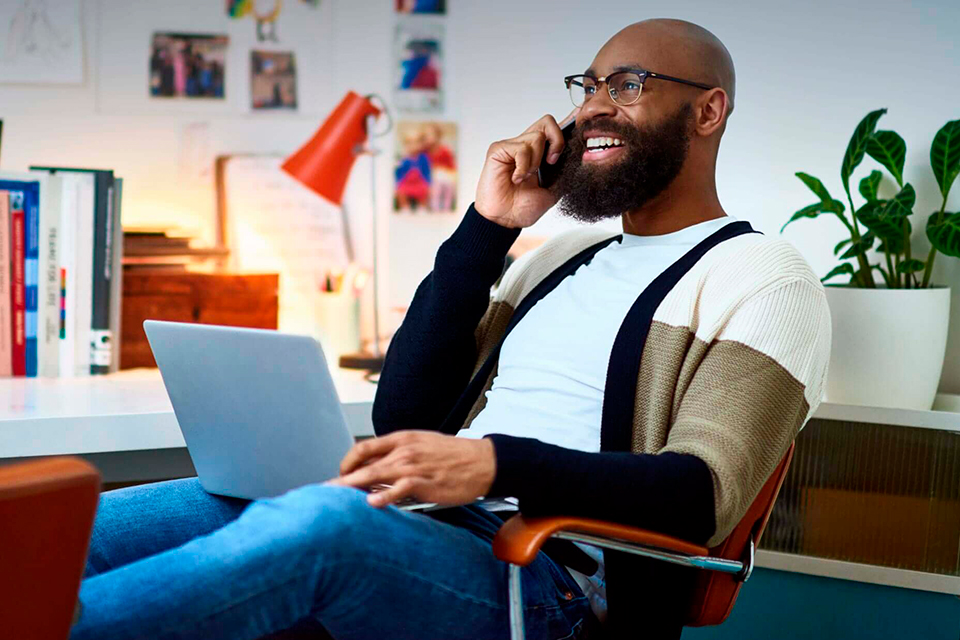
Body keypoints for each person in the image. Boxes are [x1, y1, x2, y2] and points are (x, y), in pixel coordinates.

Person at [69, 18, 831, 640]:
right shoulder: (560, 256)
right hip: (424, 522)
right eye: (589, 86)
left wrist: (495, 466)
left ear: (708, 110)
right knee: (83, 524)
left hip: (544, 581)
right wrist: (487, 228)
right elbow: (406, 412)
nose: (596, 105)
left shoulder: (764, 276)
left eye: (629, 85)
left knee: (322, 524)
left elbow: (702, 495)